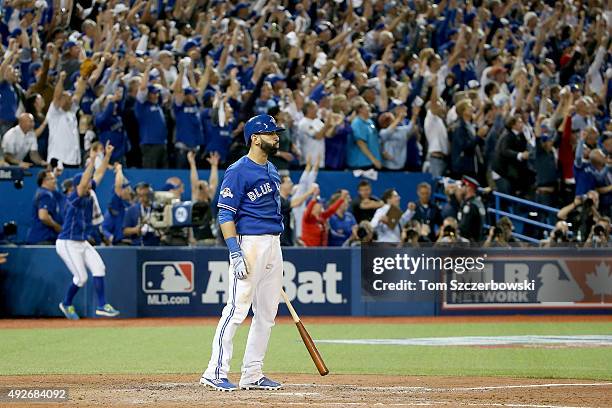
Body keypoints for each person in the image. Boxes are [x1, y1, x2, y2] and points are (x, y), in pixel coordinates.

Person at [201, 114, 285, 392]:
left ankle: (252, 373)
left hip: (273, 243)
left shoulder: (272, 169)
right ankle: (215, 371)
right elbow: (225, 213)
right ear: (255, 138)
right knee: (237, 309)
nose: (276, 137)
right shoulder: (238, 170)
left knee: (267, 314)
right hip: (249, 244)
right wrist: (235, 252)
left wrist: (272, 253)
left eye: (276, 132)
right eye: (271, 133)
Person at [56, 143, 119, 320]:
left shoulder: (88, 193)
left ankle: (102, 305)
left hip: (81, 241)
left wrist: (106, 156)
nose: (89, 186)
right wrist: (91, 161)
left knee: (99, 267)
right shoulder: (74, 197)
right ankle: (66, 304)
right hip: (67, 242)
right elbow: (85, 181)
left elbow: (98, 175)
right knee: (81, 278)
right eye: (85, 184)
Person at [46, 71, 86, 167]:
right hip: (59, 159)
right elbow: (56, 95)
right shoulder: (54, 113)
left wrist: (83, 78)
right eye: (67, 98)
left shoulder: (71, 112)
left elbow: (78, 94)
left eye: (70, 98)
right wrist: (61, 80)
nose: (70, 100)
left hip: (74, 160)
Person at [188, 150, 219, 246]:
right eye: (199, 187)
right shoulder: (195, 201)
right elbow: (194, 182)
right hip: (197, 241)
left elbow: (213, 183)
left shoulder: (209, 200)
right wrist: (192, 164)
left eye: (204, 186)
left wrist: (214, 166)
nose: (201, 188)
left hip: (211, 240)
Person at [26, 169, 63, 244]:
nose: (55, 181)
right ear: (44, 181)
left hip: (41, 238)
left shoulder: (44, 192)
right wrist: (57, 227)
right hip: (43, 239)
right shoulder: (45, 194)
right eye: (52, 179)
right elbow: (43, 216)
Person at [278, 175, 317, 246]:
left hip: (288, 241)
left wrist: (296, 239)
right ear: (281, 185)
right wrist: (309, 192)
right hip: (281, 243)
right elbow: (295, 203)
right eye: (289, 182)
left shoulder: (285, 200)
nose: (292, 184)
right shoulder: (278, 200)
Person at [101, 164, 133, 245]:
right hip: (121, 243)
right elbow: (118, 186)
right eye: (126, 188)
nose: (129, 190)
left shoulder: (129, 203)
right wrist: (119, 170)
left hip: (134, 241)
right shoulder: (116, 203)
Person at [123, 182, 161, 246]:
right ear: (137, 196)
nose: (143, 198)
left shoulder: (157, 208)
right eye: (140, 195)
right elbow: (125, 231)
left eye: (146, 195)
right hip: (138, 245)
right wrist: (135, 230)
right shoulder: (131, 210)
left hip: (156, 244)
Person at [457, 176, 486, 243]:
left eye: (463, 186)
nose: (461, 188)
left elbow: (464, 229)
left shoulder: (470, 206)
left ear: (469, 188)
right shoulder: (478, 203)